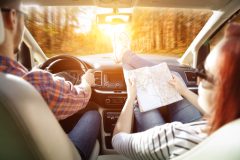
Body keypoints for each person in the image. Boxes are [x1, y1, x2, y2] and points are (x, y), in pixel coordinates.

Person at [112, 23, 240, 159]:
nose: (198, 80)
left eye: (204, 74)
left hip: (179, 141)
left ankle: (124, 55)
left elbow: (117, 139)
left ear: (225, 93)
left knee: (141, 95)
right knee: (173, 78)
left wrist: (131, 97)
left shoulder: (171, 137)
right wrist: (184, 91)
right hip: (204, 126)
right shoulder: (233, 126)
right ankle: (126, 55)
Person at [0, 1, 100, 159]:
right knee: (93, 111)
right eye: (22, 17)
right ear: (12, 18)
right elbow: (80, 97)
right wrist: (86, 82)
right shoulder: (36, 83)